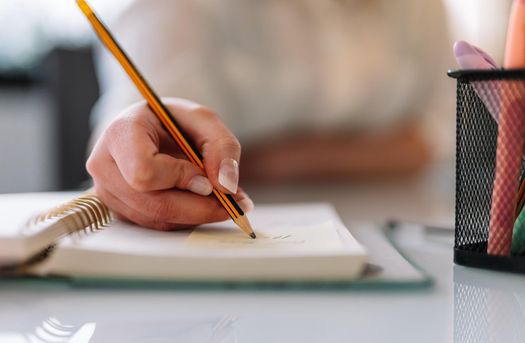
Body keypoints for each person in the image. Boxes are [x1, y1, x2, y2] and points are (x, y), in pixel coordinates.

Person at [87, 0, 452, 230]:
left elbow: (439, 133)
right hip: (222, 242)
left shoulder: (422, 8)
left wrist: (271, 161)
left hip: (400, 224)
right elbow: (142, 137)